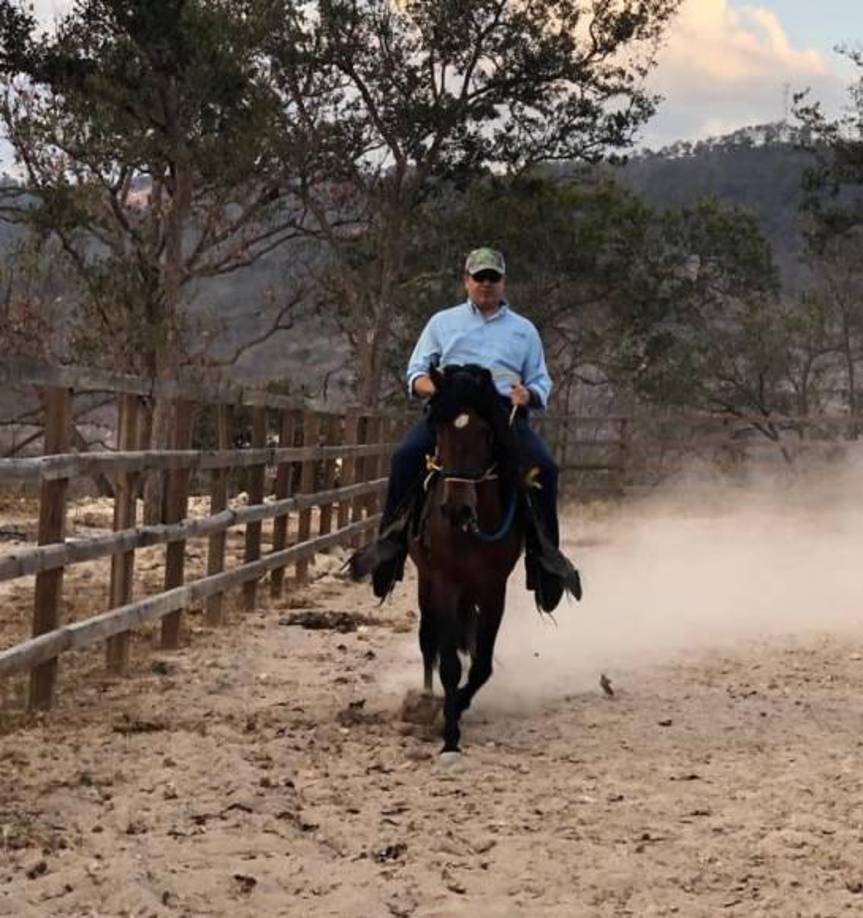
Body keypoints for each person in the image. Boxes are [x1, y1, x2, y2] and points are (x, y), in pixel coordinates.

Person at [370, 246, 565, 606]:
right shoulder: (442, 323)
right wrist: (436, 388)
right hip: (449, 411)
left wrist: (530, 394)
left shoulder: (524, 331)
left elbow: (541, 380)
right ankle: (390, 547)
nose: (486, 284)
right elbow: (415, 373)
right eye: (479, 277)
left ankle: (546, 560)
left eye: (493, 278)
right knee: (405, 457)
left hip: (502, 415)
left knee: (544, 469)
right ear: (466, 281)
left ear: (504, 282)